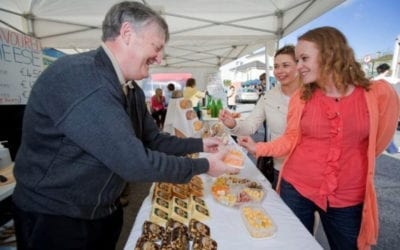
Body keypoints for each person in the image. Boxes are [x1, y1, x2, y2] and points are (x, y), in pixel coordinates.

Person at [11, 2, 238, 249]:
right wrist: (203, 165)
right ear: (127, 34)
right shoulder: (83, 78)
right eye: (157, 47)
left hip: (101, 209)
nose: (160, 58)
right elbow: (133, 162)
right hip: (57, 219)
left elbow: (155, 140)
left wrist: (201, 143)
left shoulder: (132, 90)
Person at [238, 26, 400, 250]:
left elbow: (378, 142)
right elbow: (291, 138)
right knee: (293, 245)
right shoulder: (302, 97)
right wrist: (258, 148)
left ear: (330, 54)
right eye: (297, 59)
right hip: (296, 188)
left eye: (304, 58)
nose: (299, 66)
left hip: (347, 197)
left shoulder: (379, 94)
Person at [219, 45, 301, 189]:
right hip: (281, 170)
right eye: (276, 66)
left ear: (299, 66)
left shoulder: (314, 96)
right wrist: (232, 124)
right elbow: (250, 125)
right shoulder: (269, 96)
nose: (279, 71)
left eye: (285, 65)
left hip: (311, 171)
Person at [373, 63, 400, 154]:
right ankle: (391, 148)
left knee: (377, 128)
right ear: (387, 71)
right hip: (388, 108)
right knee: (388, 128)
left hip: (375, 108)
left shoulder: (372, 80)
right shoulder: (389, 80)